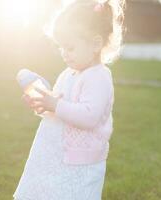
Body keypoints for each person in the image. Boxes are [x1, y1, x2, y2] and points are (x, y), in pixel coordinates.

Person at [13, 0, 125, 199]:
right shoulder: (68, 73)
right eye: (61, 47)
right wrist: (43, 105)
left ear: (95, 44)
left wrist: (55, 105)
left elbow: (89, 116)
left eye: (70, 47)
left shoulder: (98, 76)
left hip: (81, 161)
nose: (64, 53)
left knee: (75, 194)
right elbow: (61, 108)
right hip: (58, 154)